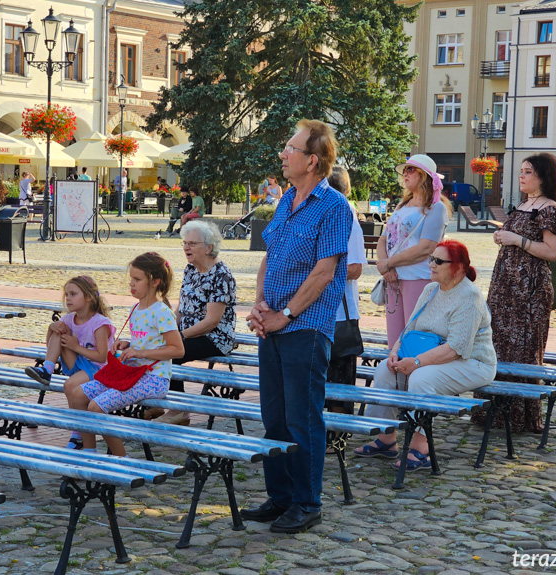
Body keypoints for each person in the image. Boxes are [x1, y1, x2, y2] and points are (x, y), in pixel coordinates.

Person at [243, 119, 352, 534]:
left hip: (305, 328)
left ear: (312, 160)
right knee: (274, 416)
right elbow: (269, 257)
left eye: (290, 148)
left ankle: (307, 502)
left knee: (303, 418)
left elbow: (325, 272)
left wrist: (284, 314)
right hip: (272, 324)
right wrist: (259, 305)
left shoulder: (334, 207)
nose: (282, 154)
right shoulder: (287, 198)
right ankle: (282, 496)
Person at [355, 240, 496, 468]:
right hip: (432, 357)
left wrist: (417, 363)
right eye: (431, 259)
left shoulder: (470, 297)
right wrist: (395, 353)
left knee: (421, 378)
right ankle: (386, 439)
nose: (431, 264)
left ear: (458, 268)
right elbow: (410, 328)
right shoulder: (430, 289)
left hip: (473, 363)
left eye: (438, 261)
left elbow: (456, 348)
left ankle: (421, 449)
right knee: (384, 371)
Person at [472, 152, 556, 433]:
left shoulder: (549, 209)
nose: (521, 176)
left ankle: (519, 416)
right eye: (521, 171)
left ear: (542, 177)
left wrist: (517, 239)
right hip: (505, 290)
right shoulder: (525, 204)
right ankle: (493, 412)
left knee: (523, 351)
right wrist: (502, 236)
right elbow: (515, 238)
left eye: (527, 172)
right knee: (498, 347)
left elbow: (551, 252)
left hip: (529, 293)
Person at [75, 252, 184, 456]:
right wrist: (127, 343)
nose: (131, 284)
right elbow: (148, 340)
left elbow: (177, 349)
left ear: (155, 282)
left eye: (137, 279)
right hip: (133, 374)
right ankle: (88, 450)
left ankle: (120, 458)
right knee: (78, 393)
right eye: (131, 279)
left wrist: (139, 351)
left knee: (96, 406)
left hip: (154, 379)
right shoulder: (137, 307)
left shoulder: (161, 312)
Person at [155, 221, 237, 426]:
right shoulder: (190, 270)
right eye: (184, 243)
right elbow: (182, 308)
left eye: (192, 243)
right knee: (150, 345)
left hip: (215, 337)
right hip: (189, 333)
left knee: (170, 353)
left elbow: (211, 322)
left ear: (209, 247)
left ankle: (178, 411)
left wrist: (179, 337)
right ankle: (156, 402)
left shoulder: (221, 275)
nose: (186, 247)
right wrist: (169, 329)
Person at [24, 275, 116, 449]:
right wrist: (51, 328)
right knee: (59, 329)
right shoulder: (69, 319)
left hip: (98, 369)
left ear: (88, 297)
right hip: (79, 362)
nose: (68, 298)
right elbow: (50, 344)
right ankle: (47, 370)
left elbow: (102, 357)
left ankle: (77, 433)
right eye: (66, 294)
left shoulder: (100, 323)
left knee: (69, 386)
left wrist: (76, 346)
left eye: (73, 294)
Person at [375, 154, 451, 349]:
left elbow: (427, 247)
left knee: (414, 338)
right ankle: (397, 378)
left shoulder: (436, 208)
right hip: (393, 277)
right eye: (404, 170)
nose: (405, 174)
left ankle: (412, 379)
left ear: (424, 176)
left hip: (418, 278)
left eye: (411, 169)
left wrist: (390, 263)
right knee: (394, 341)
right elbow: (384, 238)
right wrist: (385, 267)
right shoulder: (402, 205)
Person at [325, 166, 364, 416]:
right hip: (318, 311)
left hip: (339, 311)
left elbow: (355, 268)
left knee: (339, 375)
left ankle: (338, 434)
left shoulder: (344, 211)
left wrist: (318, 274)